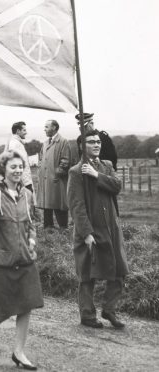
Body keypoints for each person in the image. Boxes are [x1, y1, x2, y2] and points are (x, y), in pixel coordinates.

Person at [0, 150, 43, 370]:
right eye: (13, 167)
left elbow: (32, 223)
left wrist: (32, 243)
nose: (18, 171)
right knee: (4, 308)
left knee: (27, 305)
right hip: (2, 260)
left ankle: (19, 352)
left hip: (25, 258)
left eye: (20, 167)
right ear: (3, 169)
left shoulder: (27, 195)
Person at [68, 129, 129, 329]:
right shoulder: (76, 172)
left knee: (119, 270)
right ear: (81, 146)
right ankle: (87, 315)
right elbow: (76, 205)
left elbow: (117, 186)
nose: (96, 145)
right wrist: (86, 233)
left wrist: (96, 175)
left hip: (111, 227)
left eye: (98, 142)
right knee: (87, 274)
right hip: (90, 230)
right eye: (91, 142)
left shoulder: (107, 166)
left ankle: (109, 309)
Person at [37, 120, 71, 229]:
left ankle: (63, 228)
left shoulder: (63, 141)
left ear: (54, 127)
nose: (44, 129)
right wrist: (41, 169)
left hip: (56, 180)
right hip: (46, 179)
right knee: (47, 204)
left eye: (47, 127)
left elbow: (65, 161)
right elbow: (41, 158)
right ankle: (48, 228)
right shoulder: (45, 143)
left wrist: (57, 173)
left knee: (59, 203)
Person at [5, 122, 33, 192]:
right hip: (22, 181)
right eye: (24, 130)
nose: (26, 132)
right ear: (18, 131)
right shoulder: (14, 144)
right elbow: (14, 164)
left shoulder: (18, 142)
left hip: (24, 180)